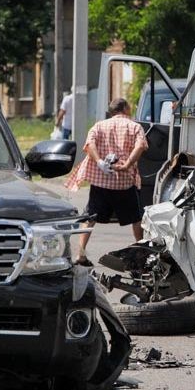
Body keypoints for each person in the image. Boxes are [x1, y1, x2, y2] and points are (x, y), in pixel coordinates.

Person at [65, 97, 148, 265]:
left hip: (101, 182)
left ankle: (80, 255)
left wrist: (100, 162)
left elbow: (89, 144)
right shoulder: (135, 126)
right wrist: (127, 164)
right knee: (136, 219)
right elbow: (141, 146)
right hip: (124, 183)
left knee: (90, 217)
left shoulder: (99, 126)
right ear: (125, 108)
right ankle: (141, 254)